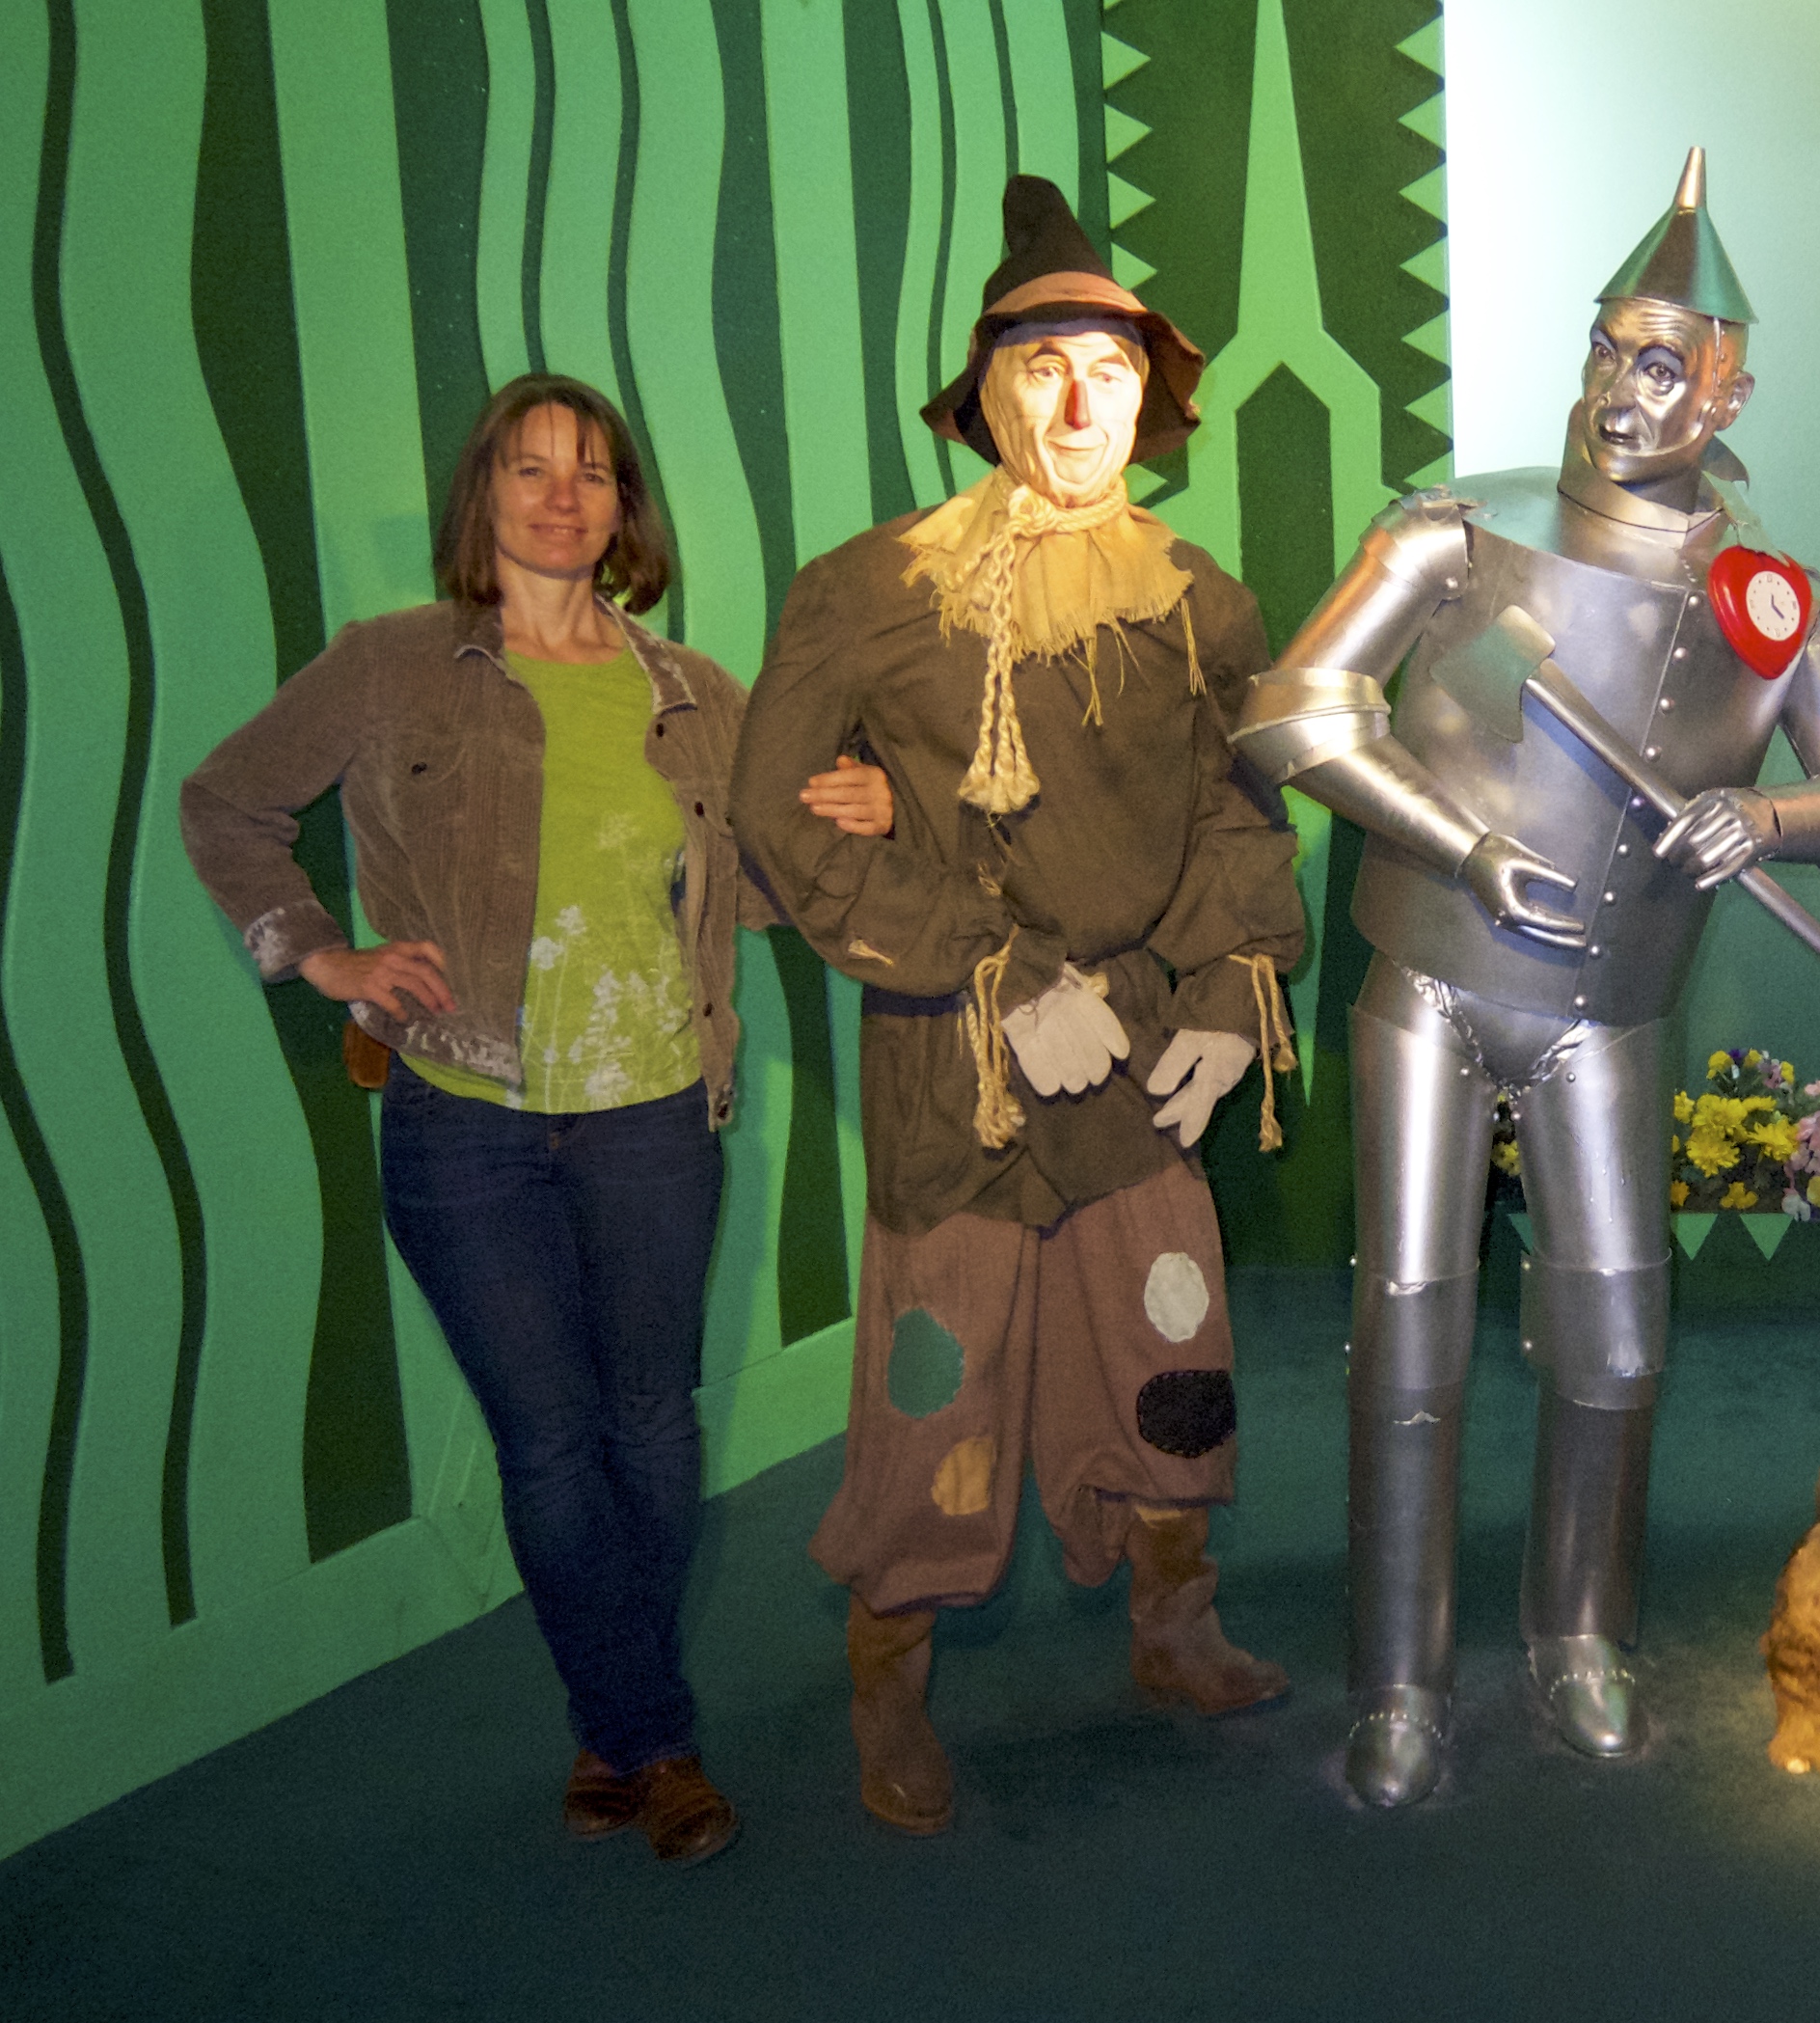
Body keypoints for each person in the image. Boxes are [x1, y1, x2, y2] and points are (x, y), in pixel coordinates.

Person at [1231, 149, 1820, 1807]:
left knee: (1615, 1336)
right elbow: (1288, 713)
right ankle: (1398, 1679)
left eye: (1670, 367)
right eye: (1615, 352)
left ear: (1733, 391)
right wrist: (1457, 840)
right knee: (1409, 1334)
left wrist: (1770, 813)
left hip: (1611, 1012)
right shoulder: (1456, 532)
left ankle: (1578, 1634)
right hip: (1433, 980)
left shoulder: (1776, 605)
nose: (1630, 391)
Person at [179, 373, 893, 1864]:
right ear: (484, 496)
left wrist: (857, 818)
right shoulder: (389, 665)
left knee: (651, 1428)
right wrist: (322, 954)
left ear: (625, 508)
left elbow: (759, 892)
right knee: (552, 1445)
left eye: (591, 472)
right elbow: (225, 804)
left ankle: (609, 1726)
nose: (562, 496)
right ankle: (655, 1738)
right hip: (465, 1124)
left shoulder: (694, 692)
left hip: (653, 1117)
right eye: (529, 468)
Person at [731, 176, 1306, 1839]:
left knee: (1172, 1338)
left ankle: (1174, 1624)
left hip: (1137, 1052)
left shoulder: (1197, 595)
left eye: (1108, 371)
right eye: (1042, 367)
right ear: (989, 393)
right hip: (959, 1060)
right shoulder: (868, 588)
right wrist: (986, 965)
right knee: (943, 1372)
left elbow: (1236, 807)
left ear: (1148, 398)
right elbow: (779, 817)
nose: (1076, 404)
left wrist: (1231, 985)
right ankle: (890, 1681)